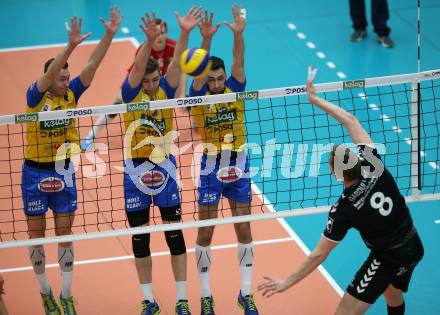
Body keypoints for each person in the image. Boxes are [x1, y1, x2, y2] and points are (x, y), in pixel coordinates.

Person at [258, 67, 424, 315]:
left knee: (343, 313)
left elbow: (318, 255)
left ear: (336, 174)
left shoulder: (344, 210)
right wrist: (316, 99)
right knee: (392, 291)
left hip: (389, 256)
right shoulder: (375, 166)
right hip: (414, 244)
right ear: (358, 161)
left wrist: (286, 283)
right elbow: (351, 121)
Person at [22, 8, 121, 315]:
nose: (66, 81)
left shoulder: (71, 95)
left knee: (65, 233)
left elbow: (94, 64)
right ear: (48, 78)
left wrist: (109, 35)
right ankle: (45, 292)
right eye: (60, 77)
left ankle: (66, 296)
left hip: (64, 172)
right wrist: (71, 46)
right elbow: (50, 75)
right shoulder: (34, 97)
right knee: (35, 235)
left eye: (67, 77)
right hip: (35, 173)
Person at [120, 8, 201, 315]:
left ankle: (182, 300)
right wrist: (148, 40)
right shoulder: (130, 95)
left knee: (173, 234)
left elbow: (178, 63)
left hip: (165, 169)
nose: (152, 85)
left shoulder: (166, 91)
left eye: (155, 79)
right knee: (140, 239)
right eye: (147, 80)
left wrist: (185, 33)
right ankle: (148, 300)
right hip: (135, 172)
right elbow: (138, 68)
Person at [189, 6, 259, 315]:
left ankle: (246, 294)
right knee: (205, 233)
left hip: (239, 163)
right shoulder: (199, 95)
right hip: (210, 166)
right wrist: (205, 41)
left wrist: (239, 35)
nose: (217, 83)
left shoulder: (236, 87)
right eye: (212, 79)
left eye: (219, 78)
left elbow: (238, 61)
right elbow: (200, 73)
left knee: (243, 229)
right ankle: (206, 296)